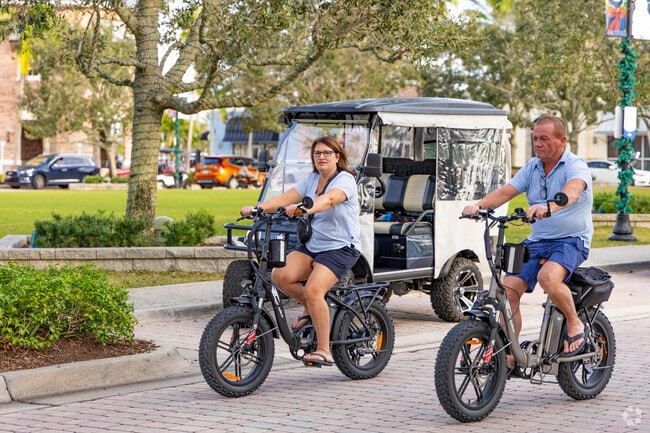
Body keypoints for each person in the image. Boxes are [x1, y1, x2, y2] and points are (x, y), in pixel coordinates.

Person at [462, 115, 593, 366]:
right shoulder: (532, 167)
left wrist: (551, 206)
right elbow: (505, 192)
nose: (538, 143)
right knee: (508, 290)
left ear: (562, 140)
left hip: (571, 240)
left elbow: (574, 190)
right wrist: (478, 206)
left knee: (548, 278)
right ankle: (511, 354)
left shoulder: (574, 165)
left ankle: (575, 322)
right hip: (538, 239)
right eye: (535, 138)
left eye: (544, 138)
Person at [240, 136, 361, 367]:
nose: (322, 157)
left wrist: (307, 208)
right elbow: (287, 198)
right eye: (317, 153)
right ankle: (310, 308)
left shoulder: (345, 180)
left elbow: (329, 200)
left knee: (315, 290)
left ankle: (324, 349)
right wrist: (258, 208)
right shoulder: (312, 179)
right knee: (279, 275)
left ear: (337, 156)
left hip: (341, 247)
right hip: (314, 245)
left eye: (327, 153)